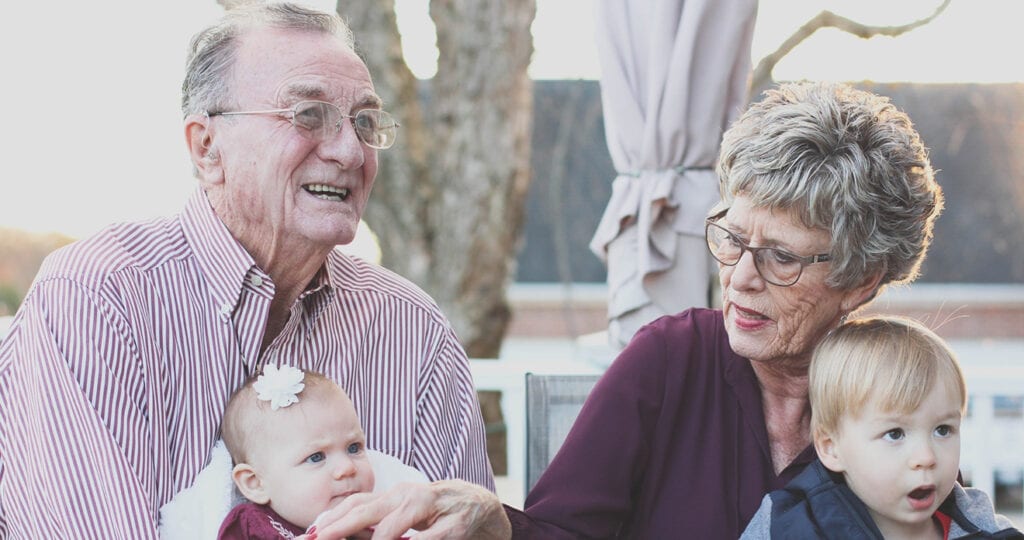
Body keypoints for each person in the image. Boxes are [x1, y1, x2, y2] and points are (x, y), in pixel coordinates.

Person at [306, 80, 947, 538]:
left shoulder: (900, 394)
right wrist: (497, 525)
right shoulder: (669, 360)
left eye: (781, 257)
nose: (740, 278)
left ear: (862, 279)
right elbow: (559, 531)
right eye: (730, 237)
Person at [0, 3, 493, 536]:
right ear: (207, 147)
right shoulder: (97, 298)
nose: (352, 151)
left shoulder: (410, 327)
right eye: (309, 115)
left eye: (366, 123)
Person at [741, 316, 1023, 539]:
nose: (926, 457)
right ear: (831, 448)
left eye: (942, 430)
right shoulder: (789, 528)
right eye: (895, 434)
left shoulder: (986, 528)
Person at [218, 365, 375, 539]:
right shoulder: (252, 524)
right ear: (255, 483)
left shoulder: (377, 520)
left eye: (354, 448)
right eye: (316, 457)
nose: (347, 467)